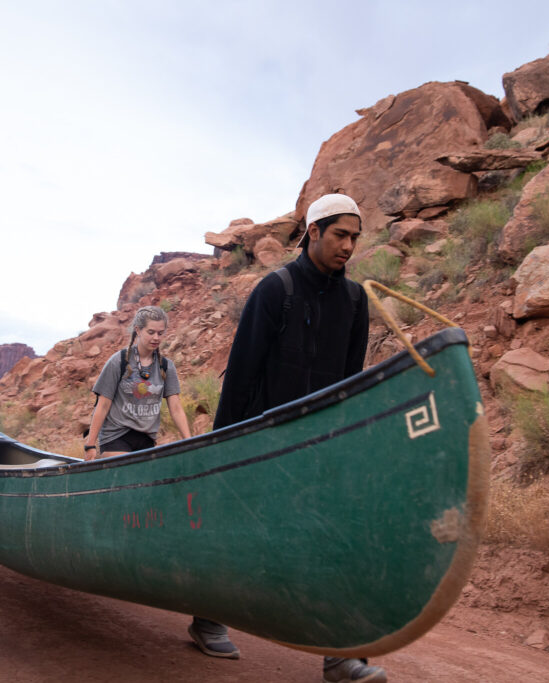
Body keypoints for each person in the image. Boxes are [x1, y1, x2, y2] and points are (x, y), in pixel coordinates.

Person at [189, 194, 385, 683]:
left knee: (333, 540)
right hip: (260, 437)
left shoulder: (356, 301)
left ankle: (339, 655)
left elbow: (348, 381)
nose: (348, 246)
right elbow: (241, 374)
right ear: (314, 231)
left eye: (355, 237)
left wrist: (341, 441)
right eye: (340, 234)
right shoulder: (275, 289)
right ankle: (209, 618)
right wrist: (225, 444)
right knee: (240, 533)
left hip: (318, 444)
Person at [82, 306, 191, 460]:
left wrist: (189, 442)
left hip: (146, 439)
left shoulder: (166, 367)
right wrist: (90, 444)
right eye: (151, 332)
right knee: (127, 473)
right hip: (116, 436)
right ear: (138, 330)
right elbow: (103, 405)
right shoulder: (118, 361)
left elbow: (176, 408)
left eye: (160, 333)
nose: (156, 338)